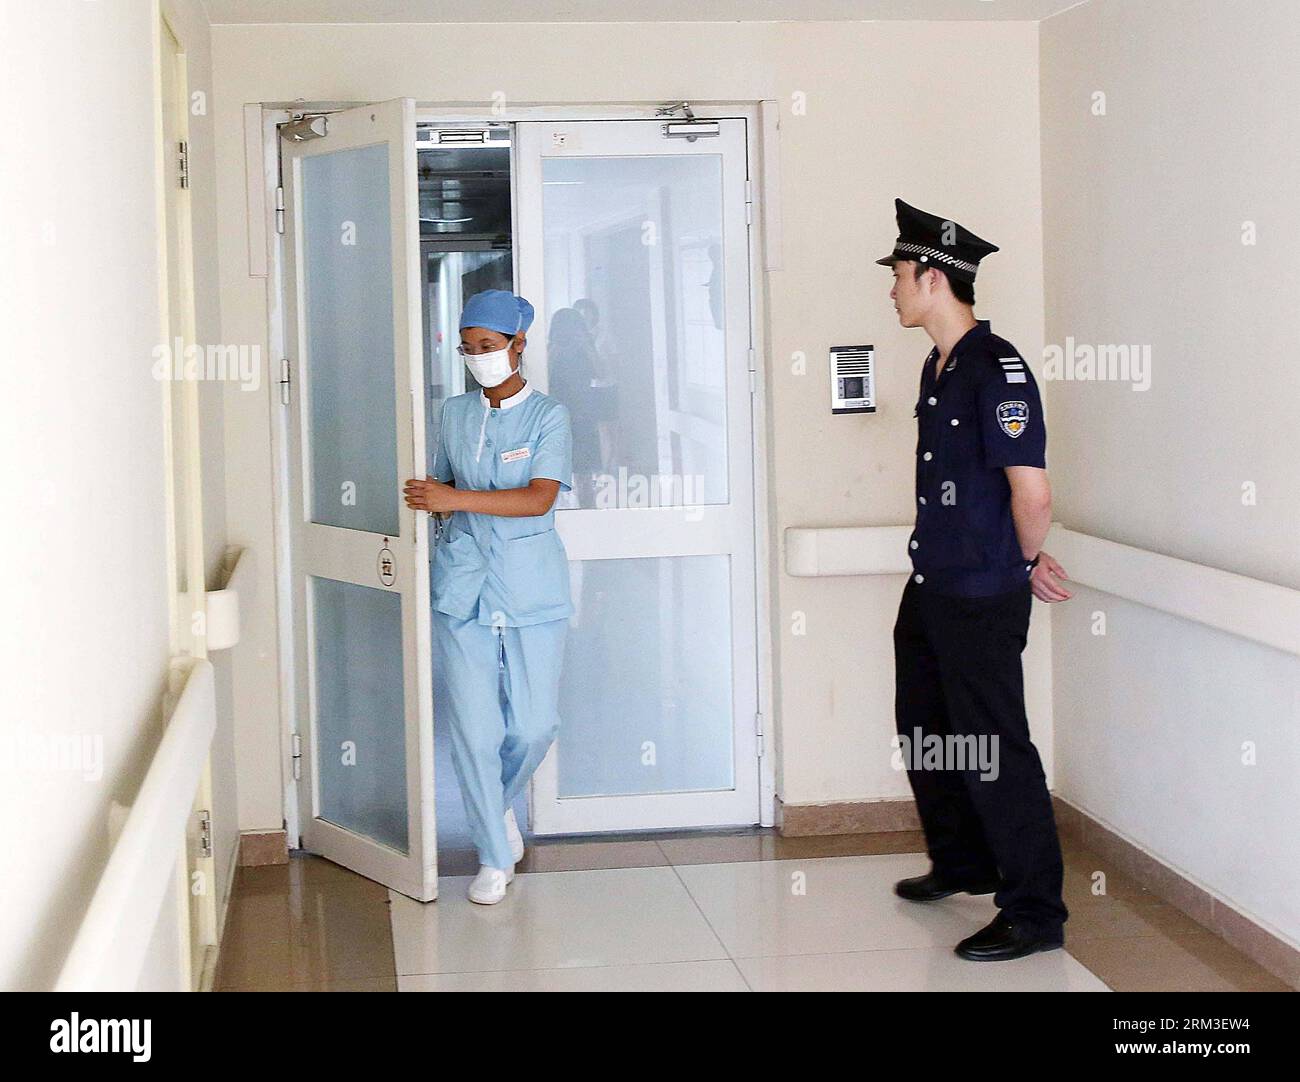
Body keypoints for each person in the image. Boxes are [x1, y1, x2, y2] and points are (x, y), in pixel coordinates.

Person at [876, 199, 1074, 961]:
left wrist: (1022, 562)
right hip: (934, 581)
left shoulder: (999, 368)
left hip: (982, 592)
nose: (892, 289)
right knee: (924, 727)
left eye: (898, 275)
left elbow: (1034, 492)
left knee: (993, 745)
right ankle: (963, 860)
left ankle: (1035, 911)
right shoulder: (939, 363)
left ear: (931, 277)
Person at [403, 289, 574, 905]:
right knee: (473, 730)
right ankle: (493, 854)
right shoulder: (451, 414)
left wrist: (454, 499)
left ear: (518, 346)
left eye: (489, 347)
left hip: (531, 585)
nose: (478, 358)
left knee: (532, 726)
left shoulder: (548, 416)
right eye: (468, 349)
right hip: (463, 582)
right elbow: (445, 481)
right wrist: (431, 494)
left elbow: (539, 497)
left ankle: (495, 805)